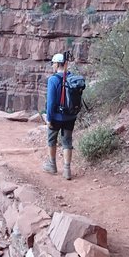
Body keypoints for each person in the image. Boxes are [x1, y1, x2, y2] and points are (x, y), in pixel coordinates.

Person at [44, 52, 77, 180]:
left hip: (56, 117)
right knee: (67, 142)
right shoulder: (73, 78)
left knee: (51, 140)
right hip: (70, 116)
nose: (52, 65)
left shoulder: (53, 79)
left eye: (53, 63)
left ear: (58, 64)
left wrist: (49, 119)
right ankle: (67, 170)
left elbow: (51, 102)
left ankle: (52, 165)